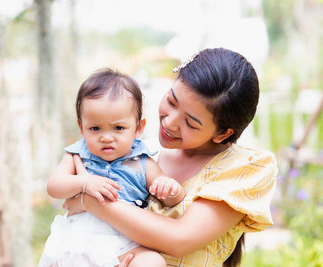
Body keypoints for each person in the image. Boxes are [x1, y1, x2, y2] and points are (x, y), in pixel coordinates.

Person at [64, 48, 278, 267]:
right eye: (172, 101)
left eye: (191, 123)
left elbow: (179, 239)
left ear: (223, 133)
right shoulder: (140, 152)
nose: (170, 122)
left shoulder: (243, 168)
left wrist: (90, 201)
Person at [38, 68, 186, 267]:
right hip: (79, 237)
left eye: (118, 128)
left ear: (138, 128)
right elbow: (54, 186)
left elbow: (169, 198)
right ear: (81, 127)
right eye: (95, 128)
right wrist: (84, 182)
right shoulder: (77, 154)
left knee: (153, 261)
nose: (106, 137)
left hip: (125, 240)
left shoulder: (142, 161)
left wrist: (170, 189)